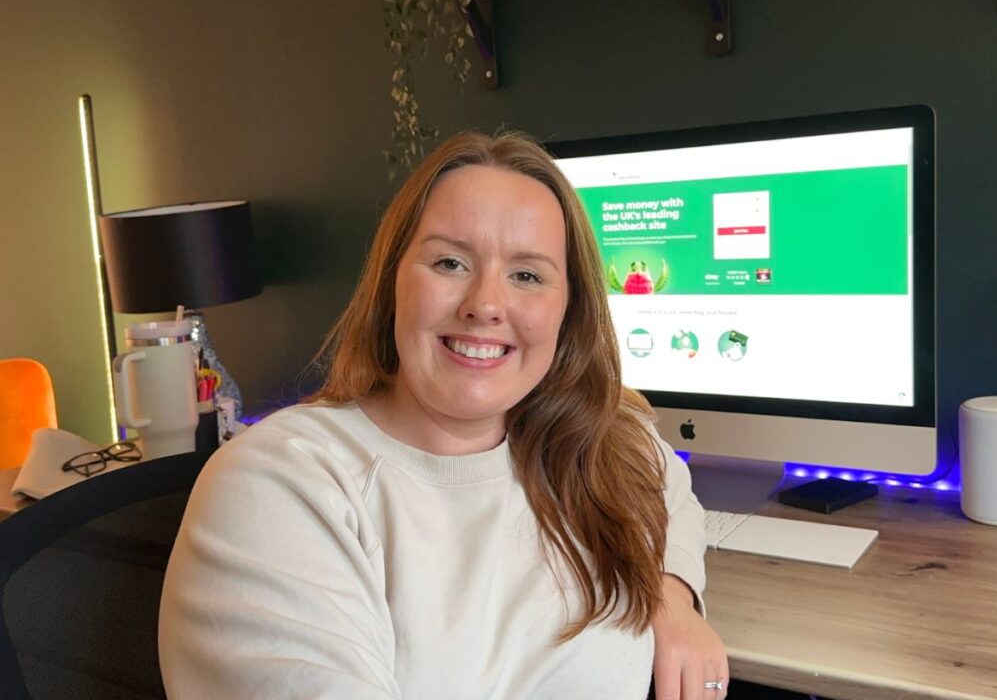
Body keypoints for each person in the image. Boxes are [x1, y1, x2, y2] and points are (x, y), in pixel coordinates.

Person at [158, 130, 728, 699]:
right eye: (450, 262)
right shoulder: (281, 482)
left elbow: (669, 489)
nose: (485, 304)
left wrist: (671, 597)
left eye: (527, 275)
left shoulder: (599, 443)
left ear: (568, 309)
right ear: (391, 284)